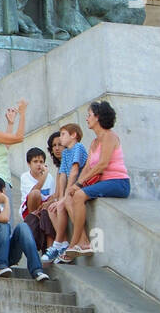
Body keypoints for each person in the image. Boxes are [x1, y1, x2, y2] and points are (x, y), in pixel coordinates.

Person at [60, 101, 131, 262]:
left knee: (79, 196)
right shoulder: (94, 142)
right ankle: (84, 242)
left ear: (98, 117)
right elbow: (86, 169)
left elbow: (102, 164)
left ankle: (73, 244)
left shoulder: (110, 136)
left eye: (89, 115)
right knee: (70, 197)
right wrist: (72, 187)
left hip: (118, 182)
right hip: (102, 183)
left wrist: (79, 185)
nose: (87, 119)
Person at [0, 176, 49, 282]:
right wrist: (6, 200)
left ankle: (37, 270)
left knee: (23, 227)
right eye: (4, 189)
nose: (6, 192)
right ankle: (0, 266)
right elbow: (5, 219)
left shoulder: (1, 209)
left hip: (6, 254)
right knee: (3, 225)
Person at [45, 121, 87, 260]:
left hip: (81, 186)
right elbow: (63, 175)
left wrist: (65, 196)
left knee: (63, 204)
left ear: (73, 135)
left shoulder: (78, 147)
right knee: (53, 208)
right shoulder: (66, 152)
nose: (60, 138)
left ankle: (70, 242)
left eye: (63, 134)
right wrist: (61, 197)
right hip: (71, 189)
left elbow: (74, 172)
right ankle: (61, 243)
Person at [19, 147, 55, 257]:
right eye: (35, 161)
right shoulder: (25, 177)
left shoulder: (50, 177)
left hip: (45, 206)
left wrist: (47, 204)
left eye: (41, 162)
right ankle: (36, 220)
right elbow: (33, 193)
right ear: (29, 163)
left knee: (50, 208)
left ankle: (50, 250)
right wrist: (43, 177)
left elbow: (53, 196)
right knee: (35, 193)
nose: (39, 165)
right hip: (30, 208)